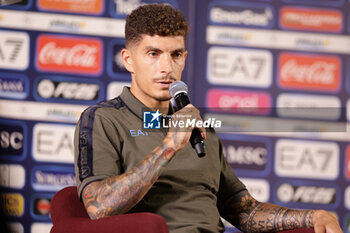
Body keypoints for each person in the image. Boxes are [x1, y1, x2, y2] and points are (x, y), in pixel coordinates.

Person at [74, 3, 343, 233]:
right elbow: (100, 207)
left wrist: (311, 216)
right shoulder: (103, 120)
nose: (167, 67)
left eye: (176, 55)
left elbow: (244, 212)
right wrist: (169, 146)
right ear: (128, 60)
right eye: (153, 54)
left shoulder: (198, 128)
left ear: (185, 58)